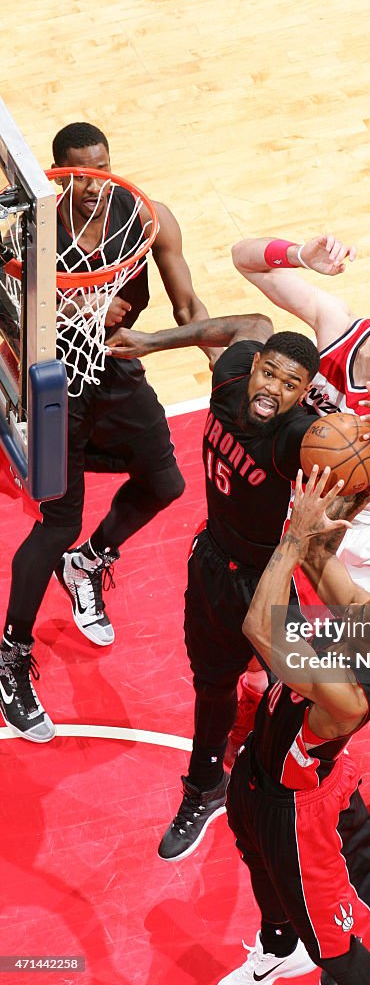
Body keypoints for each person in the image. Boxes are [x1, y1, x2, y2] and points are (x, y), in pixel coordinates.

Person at [105, 316, 370, 863]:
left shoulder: (299, 437)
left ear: (302, 394)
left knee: (298, 696)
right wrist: (152, 341)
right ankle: (203, 789)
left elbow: (327, 520)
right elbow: (249, 322)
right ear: (254, 367)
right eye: (268, 373)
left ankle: (316, 788)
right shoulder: (229, 372)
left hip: (266, 578)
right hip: (212, 563)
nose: (273, 388)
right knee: (211, 688)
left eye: (290, 385)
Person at [0, 121, 219, 744]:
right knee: (58, 518)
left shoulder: (146, 217)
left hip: (115, 368)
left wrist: (214, 360)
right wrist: (82, 309)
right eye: (82, 172)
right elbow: (13, 308)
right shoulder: (32, 227)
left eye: (103, 167)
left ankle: (88, 564)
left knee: (165, 481)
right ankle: (10, 657)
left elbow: (186, 305)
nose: (95, 183)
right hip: (54, 381)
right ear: (58, 171)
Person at [230, 233, 370, 833]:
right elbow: (241, 260)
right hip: (304, 503)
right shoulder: (335, 327)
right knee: (265, 619)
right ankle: (251, 706)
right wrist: (302, 255)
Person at [220, 464, 370, 985]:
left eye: (366, 608)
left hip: (297, 810)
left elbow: (260, 627)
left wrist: (293, 538)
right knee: (257, 861)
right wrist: (344, 493)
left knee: (335, 951)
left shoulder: (346, 697)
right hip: (259, 771)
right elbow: (317, 556)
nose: (357, 602)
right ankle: (276, 949)